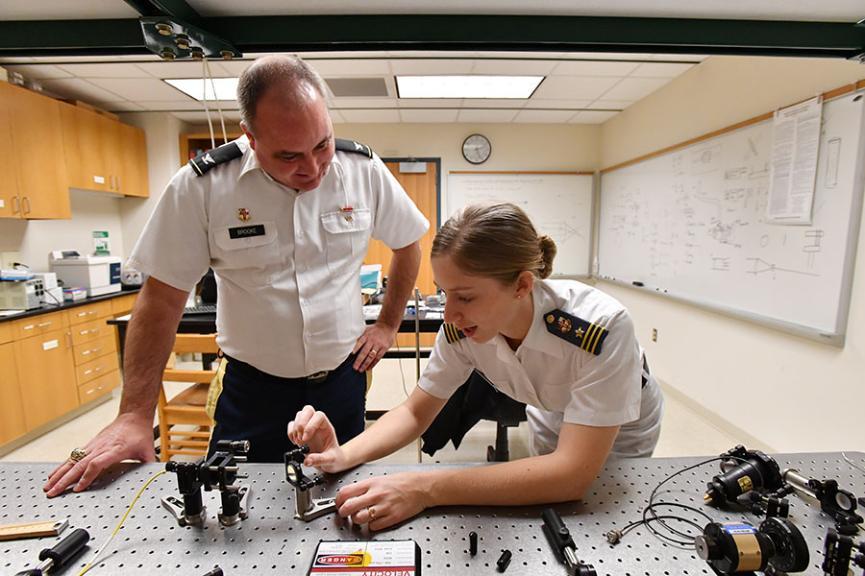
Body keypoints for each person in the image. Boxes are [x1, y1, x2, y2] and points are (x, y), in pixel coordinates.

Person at [44, 55, 429, 497]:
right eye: (289, 155)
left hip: (341, 384)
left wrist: (387, 325)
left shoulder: (362, 169)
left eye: (322, 144)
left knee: (338, 502)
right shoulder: (204, 186)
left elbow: (408, 244)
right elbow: (162, 298)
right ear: (249, 136)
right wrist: (134, 413)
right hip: (251, 392)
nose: (313, 168)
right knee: (233, 509)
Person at [288, 203, 663, 530]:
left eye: (465, 296)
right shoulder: (461, 328)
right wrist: (345, 455)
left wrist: (424, 489)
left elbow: (572, 474)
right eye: (444, 292)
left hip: (622, 425)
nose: (449, 313)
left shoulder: (599, 328)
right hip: (552, 410)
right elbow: (416, 412)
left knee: (600, 509)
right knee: (551, 502)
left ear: (521, 286)